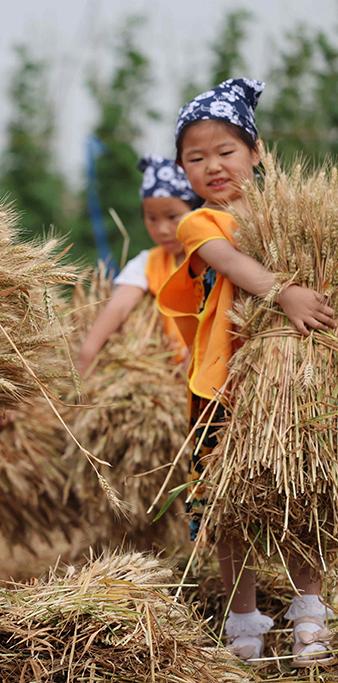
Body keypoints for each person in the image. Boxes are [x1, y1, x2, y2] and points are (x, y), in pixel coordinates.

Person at [158, 78, 336, 667]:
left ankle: (311, 611)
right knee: (227, 505)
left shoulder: (300, 218)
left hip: (297, 385)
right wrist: (286, 293)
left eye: (226, 152)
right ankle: (243, 621)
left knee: (305, 492)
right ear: (182, 168)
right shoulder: (198, 224)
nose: (212, 166)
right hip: (222, 387)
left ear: (257, 152)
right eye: (195, 157)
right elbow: (231, 263)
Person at [77, 155, 201, 375]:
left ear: (195, 210)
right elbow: (119, 307)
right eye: (151, 218)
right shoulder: (148, 262)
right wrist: (88, 352)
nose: (162, 229)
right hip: (171, 376)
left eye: (172, 216)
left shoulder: (214, 257)